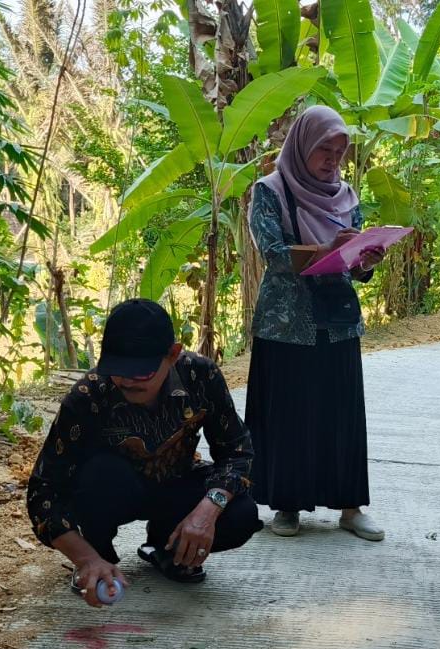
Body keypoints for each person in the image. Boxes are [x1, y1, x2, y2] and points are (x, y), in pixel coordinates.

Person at [26, 298, 262, 608]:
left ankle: (168, 548)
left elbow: (238, 451)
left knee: (241, 513)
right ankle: (98, 559)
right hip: (113, 492)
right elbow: (42, 492)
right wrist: (84, 556)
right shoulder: (89, 394)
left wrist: (207, 511)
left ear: (173, 355)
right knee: (101, 473)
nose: (125, 381)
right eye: (117, 371)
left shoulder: (200, 375)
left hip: (175, 486)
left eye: (140, 374)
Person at [245, 105, 385, 541]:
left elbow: (353, 267)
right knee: (288, 414)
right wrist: (329, 247)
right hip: (286, 322)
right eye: (324, 148)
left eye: (340, 151)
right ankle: (286, 506)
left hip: (337, 320)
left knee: (341, 414)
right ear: (302, 144)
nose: (332, 159)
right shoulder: (269, 192)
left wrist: (366, 258)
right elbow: (274, 254)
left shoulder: (346, 196)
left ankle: (350, 506)